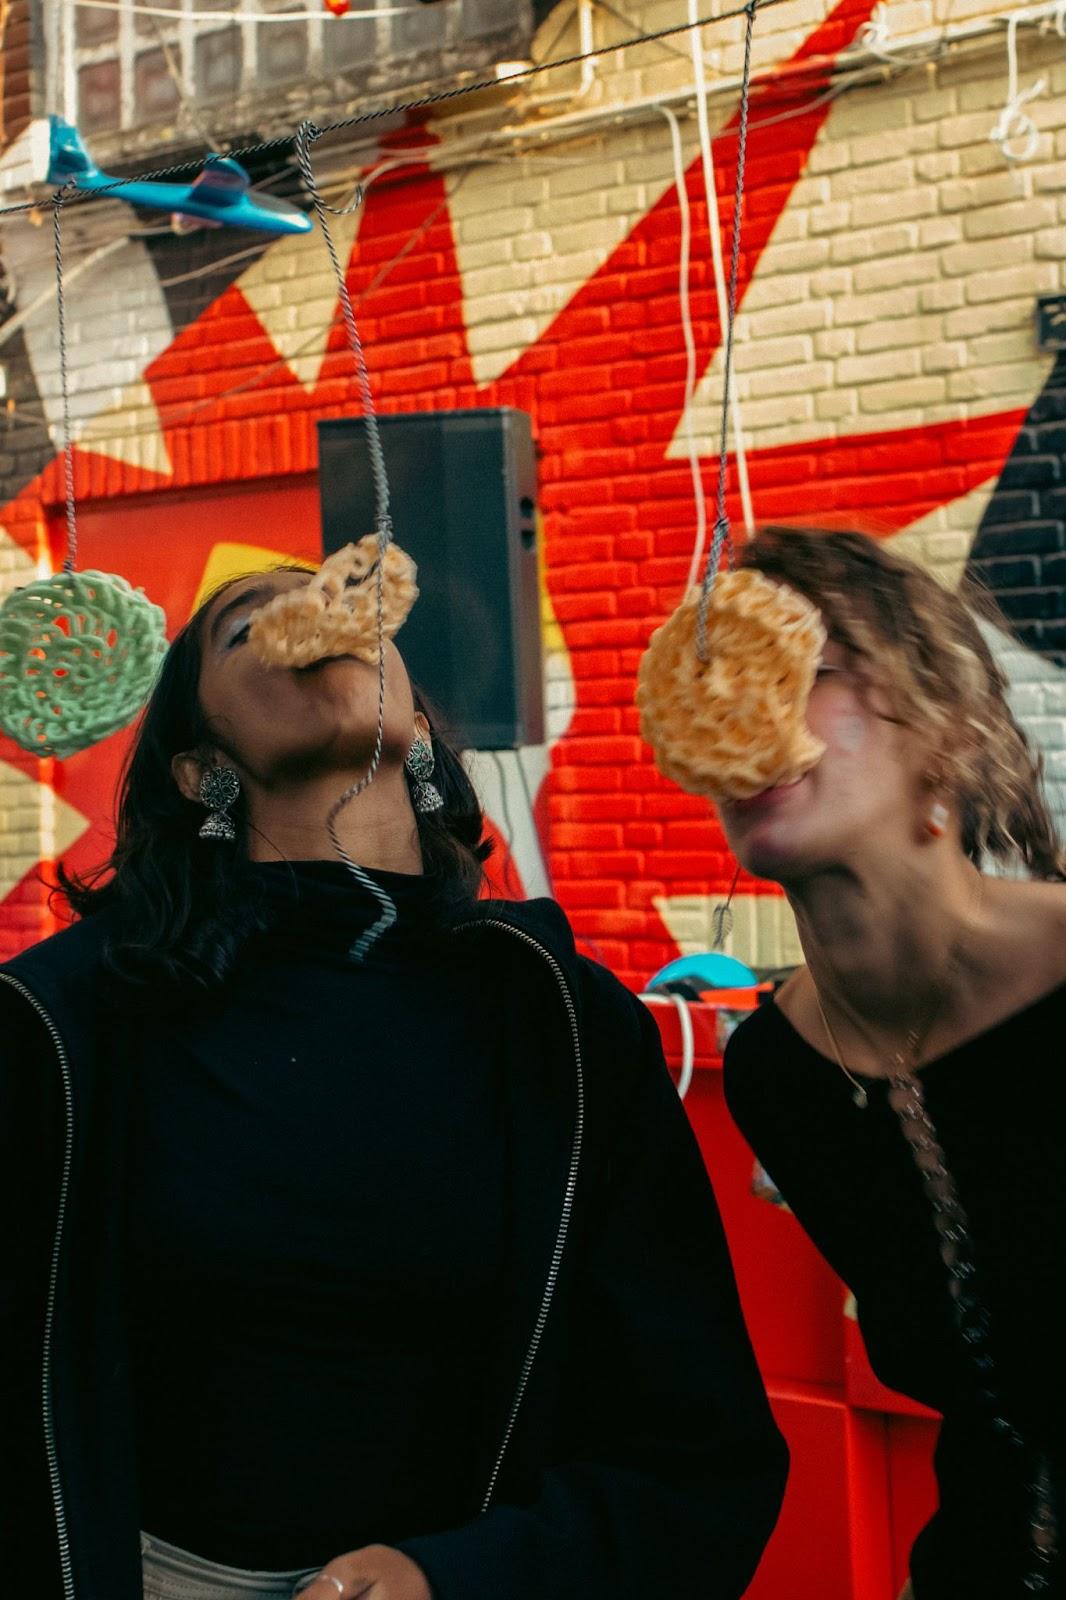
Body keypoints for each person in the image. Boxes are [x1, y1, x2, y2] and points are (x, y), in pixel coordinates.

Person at [1, 566, 787, 1600]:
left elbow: (698, 1449)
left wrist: (458, 1579)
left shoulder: (567, 1032)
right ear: (201, 771)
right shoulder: (66, 1027)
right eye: (247, 628)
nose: (316, 621)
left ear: (416, 727)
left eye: (350, 611)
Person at [719, 526, 1066, 1598]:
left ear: (945, 730)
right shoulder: (775, 1076)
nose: (748, 714)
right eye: (724, 683)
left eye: (802, 674)